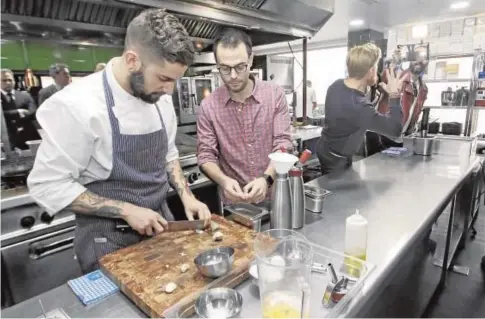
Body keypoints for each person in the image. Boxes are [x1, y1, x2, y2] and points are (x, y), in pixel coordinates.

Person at [27, 9, 211, 273]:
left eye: (174, 81)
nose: (169, 90)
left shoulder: (160, 97)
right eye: (163, 79)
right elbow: (47, 185)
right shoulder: (78, 105)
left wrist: (187, 196)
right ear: (132, 60)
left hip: (162, 227)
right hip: (107, 239)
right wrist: (126, 210)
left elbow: (168, 154)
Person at [196, 28, 292, 205]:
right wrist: (223, 181)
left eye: (240, 67)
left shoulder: (274, 95)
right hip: (236, 206)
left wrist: (266, 179)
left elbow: (283, 144)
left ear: (251, 60)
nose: (233, 76)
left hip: (276, 198)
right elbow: (205, 155)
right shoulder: (208, 107)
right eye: (225, 68)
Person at [316, 43, 404, 175]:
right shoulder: (358, 105)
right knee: (340, 194)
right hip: (337, 160)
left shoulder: (336, 85)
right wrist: (394, 95)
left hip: (326, 149)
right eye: (375, 67)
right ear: (370, 71)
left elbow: (356, 102)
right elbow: (395, 129)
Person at [1, 69, 41, 150]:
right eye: (4, 80)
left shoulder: (24, 95)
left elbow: (33, 111)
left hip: (28, 137)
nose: (8, 83)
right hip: (7, 138)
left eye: (10, 80)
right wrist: (17, 112)